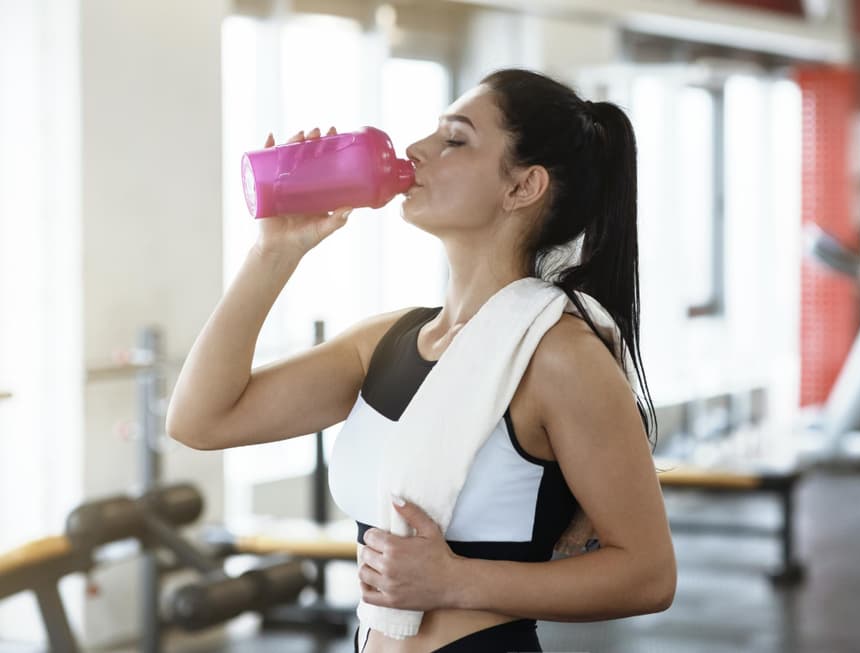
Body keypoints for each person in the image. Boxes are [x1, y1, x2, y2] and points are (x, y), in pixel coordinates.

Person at [166, 67, 676, 653]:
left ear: (522, 187)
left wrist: (457, 580)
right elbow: (200, 421)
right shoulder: (386, 341)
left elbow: (648, 574)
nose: (415, 150)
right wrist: (274, 251)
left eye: (454, 139)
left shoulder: (558, 357)